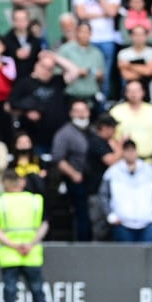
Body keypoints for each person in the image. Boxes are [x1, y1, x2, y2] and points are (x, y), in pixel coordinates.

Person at [0, 171, 54, 302]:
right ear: (21, 183)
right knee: (37, 289)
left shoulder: (0, 202)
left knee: (10, 291)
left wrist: (13, 245)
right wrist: (31, 244)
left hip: (9, 254)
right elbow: (44, 225)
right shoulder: (35, 201)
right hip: (31, 252)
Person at [73, 0, 120, 98]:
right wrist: (103, 12)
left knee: (104, 75)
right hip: (87, 39)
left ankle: (102, 105)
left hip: (107, 39)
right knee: (84, 72)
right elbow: (81, 14)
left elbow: (112, 13)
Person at [99, 139, 152, 243]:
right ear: (123, 152)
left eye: (133, 150)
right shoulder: (112, 171)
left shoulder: (150, 171)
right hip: (122, 223)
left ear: (137, 151)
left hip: (147, 221)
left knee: (149, 257)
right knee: (126, 257)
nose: (130, 153)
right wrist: (110, 215)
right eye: (127, 150)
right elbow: (103, 195)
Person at [51, 101, 94, 240]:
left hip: (94, 179)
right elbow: (58, 158)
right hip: (76, 179)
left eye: (83, 111)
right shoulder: (65, 133)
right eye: (77, 111)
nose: (81, 114)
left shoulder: (93, 130)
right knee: (81, 214)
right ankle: (83, 243)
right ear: (71, 113)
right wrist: (73, 173)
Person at [109, 80, 152, 166]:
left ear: (143, 92)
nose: (133, 94)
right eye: (130, 91)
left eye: (136, 91)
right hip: (122, 162)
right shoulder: (115, 111)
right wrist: (117, 152)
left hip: (149, 161)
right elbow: (109, 137)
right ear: (125, 93)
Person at [84, 114, 122, 241]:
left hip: (108, 192)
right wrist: (121, 146)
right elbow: (111, 160)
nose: (115, 131)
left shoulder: (105, 142)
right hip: (96, 191)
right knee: (99, 225)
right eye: (113, 128)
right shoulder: (96, 141)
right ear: (104, 128)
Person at [57, 21, 105, 111]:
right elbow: (56, 73)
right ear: (76, 32)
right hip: (70, 96)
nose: (84, 35)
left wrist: (99, 75)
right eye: (82, 31)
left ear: (91, 34)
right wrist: (76, 73)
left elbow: (102, 78)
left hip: (91, 97)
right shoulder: (65, 49)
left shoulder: (97, 53)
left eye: (87, 32)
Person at [117, 23, 152, 103]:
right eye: (136, 34)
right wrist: (146, 71)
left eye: (141, 34)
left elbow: (148, 71)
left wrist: (128, 65)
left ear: (147, 36)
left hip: (151, 96)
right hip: (129, 96)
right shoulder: (123, 53)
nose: (139, 37)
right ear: (131, 36)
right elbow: (127, 76)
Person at [2, 8, 44, 80]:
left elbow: (39, 59)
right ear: (13, 21)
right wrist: (14, 53)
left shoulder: (35, 40)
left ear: (28, 21)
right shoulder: (5, 40)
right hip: (11, 82)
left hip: (31, 81)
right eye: (17, 19)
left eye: (23, 19)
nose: (20, 22)